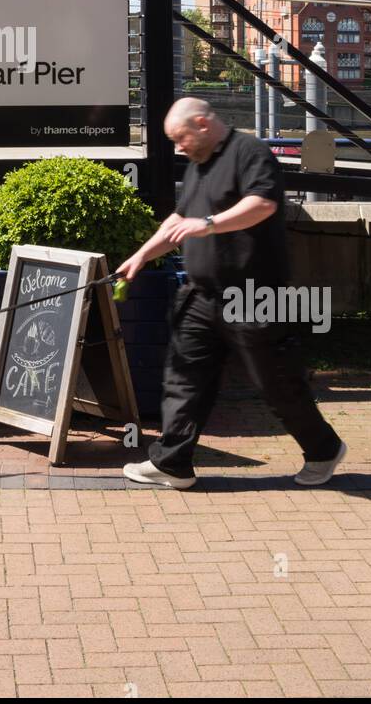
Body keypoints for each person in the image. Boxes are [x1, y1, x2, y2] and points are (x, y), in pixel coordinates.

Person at [117, 97, 345, 490]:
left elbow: (262, 204)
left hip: (254, 295)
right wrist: (140, 255)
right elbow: (177, 220)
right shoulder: (197, 166)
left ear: (203, 123)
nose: (178, 147)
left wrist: (207, 224)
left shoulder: (250, 153)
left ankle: (323, 449)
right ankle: (173, 463)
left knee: (275, 382)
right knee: (184, 377)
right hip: (203, 295)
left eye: (181, 138)